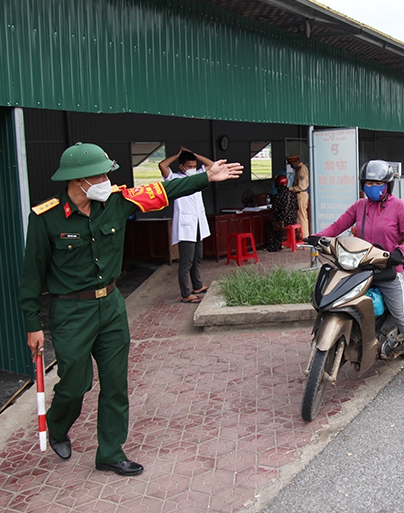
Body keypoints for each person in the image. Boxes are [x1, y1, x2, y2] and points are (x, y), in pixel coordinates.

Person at [19, 142, 242, 476]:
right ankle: (58, 424)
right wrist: (32, 322)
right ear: (79, 180)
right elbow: (31, 274)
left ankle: (110, 451)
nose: (107, 180)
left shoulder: (117, 202)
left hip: (110, 306)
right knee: (75, 383)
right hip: (70, 312)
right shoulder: (46, 218)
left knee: (114, 383)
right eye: (101, 174)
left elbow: (164, 190)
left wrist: (206, 178)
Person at [307, 160, 404, 393]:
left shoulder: (399, 207)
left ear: (387, 186)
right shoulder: (360, 206)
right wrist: (318, 237)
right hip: (361, 269)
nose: (372, 187)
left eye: (377, 183)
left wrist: (399, 252)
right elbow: (338, 226)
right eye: (368, 183)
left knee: (403, 320)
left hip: (388, 273)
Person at [159, 147, 213, 303]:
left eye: (194, 166)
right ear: (181, 166)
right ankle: (185, 293)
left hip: (197, 223)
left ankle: (198, 285)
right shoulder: (174, 179)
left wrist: (195, 154)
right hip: (185, 226)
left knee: (197, 257)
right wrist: (177, 155)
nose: (192, 169)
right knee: (186, 261)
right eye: (189, 166)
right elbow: (162, 165)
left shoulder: (197, 177)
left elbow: (211, 165)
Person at [265, 174, 298, 252]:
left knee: (270, 226)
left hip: (283, 221)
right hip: (293, 219)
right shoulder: (293, 194)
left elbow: (275, 211)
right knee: (276, 224)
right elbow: (297, 207)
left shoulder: (277, 196)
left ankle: (274, 246)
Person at [286, 154, 310, 239]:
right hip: (300, 194)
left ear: (296, 161)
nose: (291, 166)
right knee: (300, 215)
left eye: (292, 163)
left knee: (301, 215)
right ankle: (302, 234)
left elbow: (301, 186)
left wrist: (289, 189)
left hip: (301, 193)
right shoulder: (299, 169)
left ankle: (304, 236)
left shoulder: (301, 170)